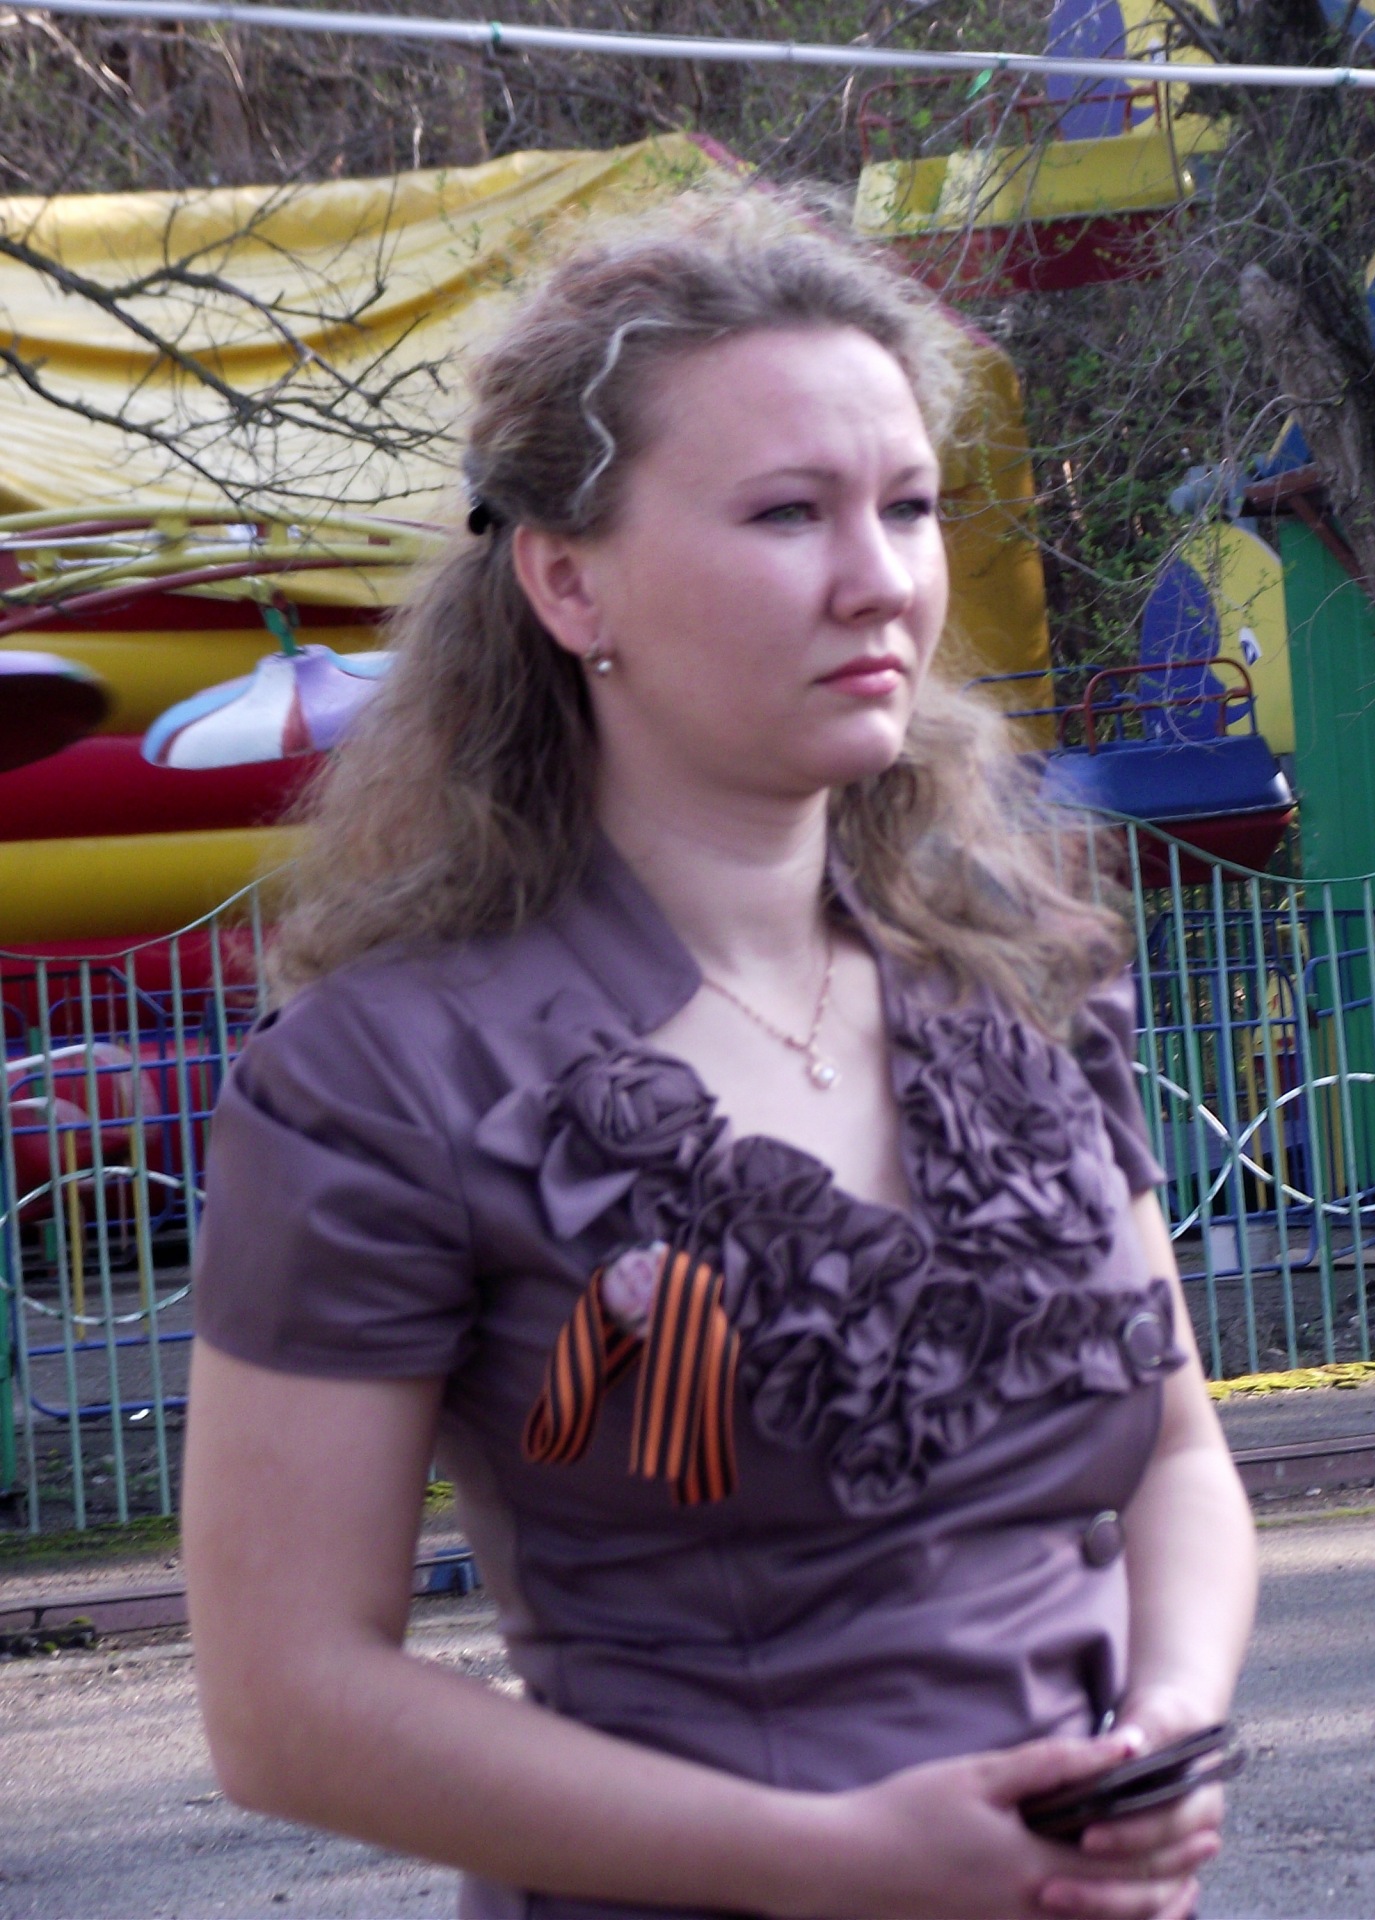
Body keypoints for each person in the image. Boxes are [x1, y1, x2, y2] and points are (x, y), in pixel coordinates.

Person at [180, 189, 1258, 1920]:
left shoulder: (1017, 972)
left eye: (908, 505)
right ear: (566, 578)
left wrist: (1167, 1733)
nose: (880, 578)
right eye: (786, 512)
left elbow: (1181, 1462)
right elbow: (286, 1703)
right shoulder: (383, 1080)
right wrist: (838, 1864)